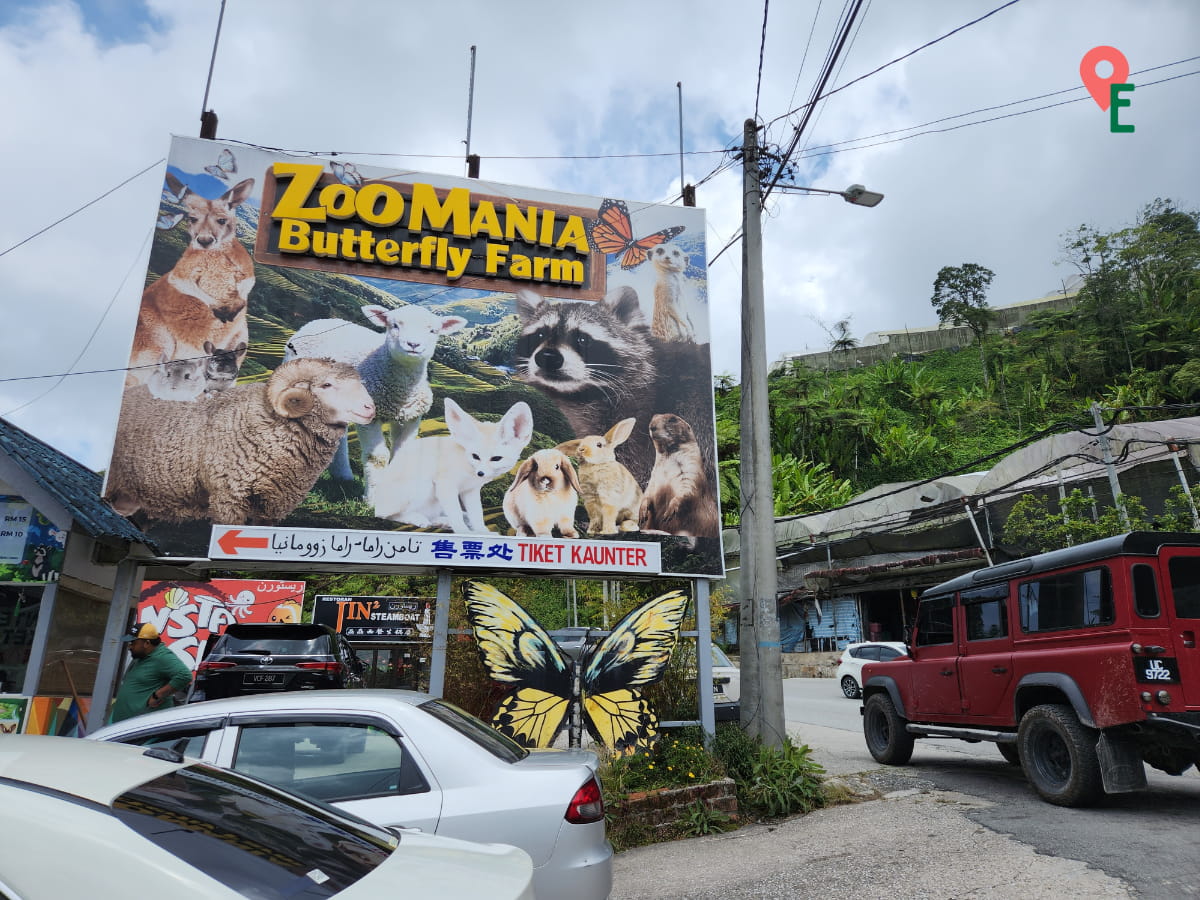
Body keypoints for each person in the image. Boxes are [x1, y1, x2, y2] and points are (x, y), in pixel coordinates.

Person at [109, 623, 192, 723]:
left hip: (141, 727)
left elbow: (185, 675)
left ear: (147, 643)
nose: (129, 646)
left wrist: (158, 695)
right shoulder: (141, 656)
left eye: (133, 643)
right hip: (122, 723)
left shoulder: (162, 657)